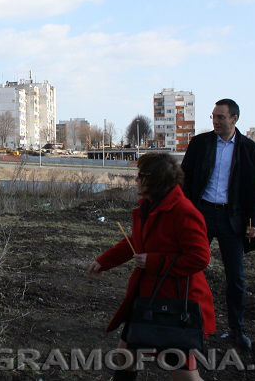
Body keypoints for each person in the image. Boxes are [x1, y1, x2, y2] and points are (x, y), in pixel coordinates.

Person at [89, 153, 215, 381]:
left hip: (175, 304)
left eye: (140, 176)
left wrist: (153, 261)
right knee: (125, 354)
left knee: (184, 375)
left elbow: (200, 257)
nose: (136, 180)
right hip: (148, 297)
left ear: (154, 180)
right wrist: (104, 261)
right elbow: (136, 241)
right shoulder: (149, 206)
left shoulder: (184, 212)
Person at [181, 98, 255, 351]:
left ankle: (237, 329)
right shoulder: (199, 144)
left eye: (221, 117)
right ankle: (189, 324)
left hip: (232, 219)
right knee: (190, 270)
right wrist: (183, 213)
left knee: (236, 278)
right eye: (213, 117)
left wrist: (254, 223)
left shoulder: (249, 149)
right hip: (201, 214)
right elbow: (184, 179)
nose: (216, 121)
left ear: (234, 119)